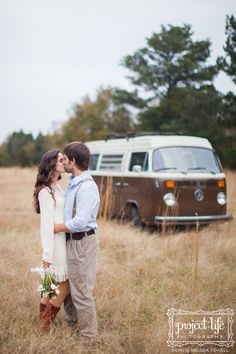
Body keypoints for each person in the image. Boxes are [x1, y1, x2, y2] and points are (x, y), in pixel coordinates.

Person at [54, 141, 100, 342]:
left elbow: (81, 221)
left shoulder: (87, 187)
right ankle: (74, 322)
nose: (63, 162)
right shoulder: (72, 182)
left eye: (65, 159)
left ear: (74, 161)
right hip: (69, 240)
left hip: (82, 242)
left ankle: (89, 336)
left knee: (81, 290)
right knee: (70, 289)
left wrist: (55, 228)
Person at [33, 149, 70, 329]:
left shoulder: (57, 187)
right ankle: (45, 322)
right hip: (55, 245)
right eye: (61, 160)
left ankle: (42, 322)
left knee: (50, 283)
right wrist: (47, 254)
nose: (64, 162)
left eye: (64, 160)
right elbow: (46, 225)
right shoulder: (45, 192)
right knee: (63, 283)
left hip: (62, 240)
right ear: (51, 164)